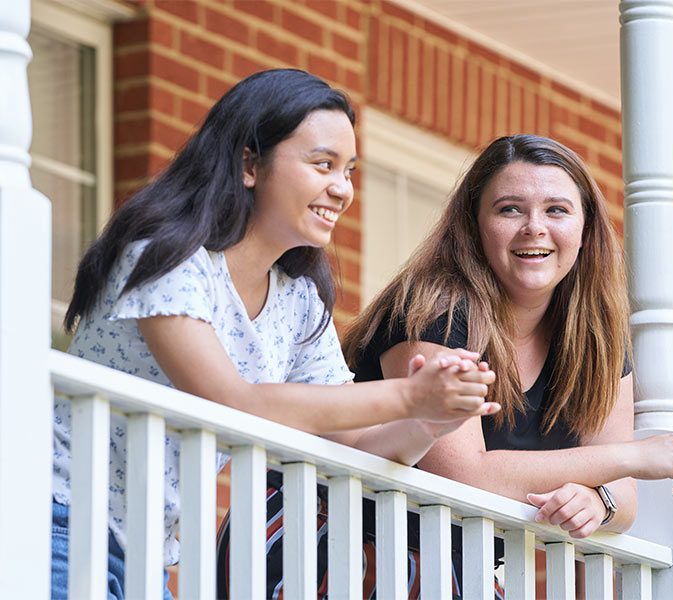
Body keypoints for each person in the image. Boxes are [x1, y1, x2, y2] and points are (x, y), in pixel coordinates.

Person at [52, 69, 497, 600]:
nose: (343, 188)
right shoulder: (169, 256)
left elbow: (355, 442)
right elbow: (228, 401)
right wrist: (407, 393)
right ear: (248, 164)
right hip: (57, 515)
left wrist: (425, 423)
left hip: (148, 551)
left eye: (349, 170)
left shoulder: (297, 301)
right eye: (322, 164)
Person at [343, 134, 673, 595]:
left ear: (586, 230)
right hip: (350, 550)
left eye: (556, 210)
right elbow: (463, 475)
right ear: (474, 225)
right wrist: (634, 457)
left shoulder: (596, 338)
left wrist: (599, 499)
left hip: (459, 567)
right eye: (509, 209)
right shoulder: (435, 311)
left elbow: (625, 499)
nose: (534, 227)